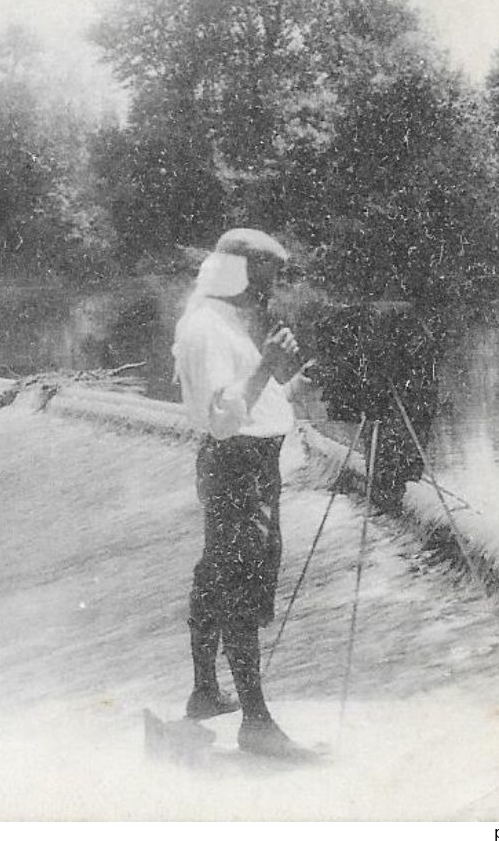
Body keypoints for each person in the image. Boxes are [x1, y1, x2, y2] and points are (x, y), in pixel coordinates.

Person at [172, 228, 314, 759]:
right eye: (266, 279)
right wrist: (264, 365)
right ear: (239, 273)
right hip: (238, 468)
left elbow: (254, 401)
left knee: (215, 576)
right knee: (240, 588)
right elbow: (223, 418)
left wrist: (290, 379)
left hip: (243, 467)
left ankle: (206, 692)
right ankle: (255, 722)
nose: (269, 292)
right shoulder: (207, 326)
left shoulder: (222, 320)